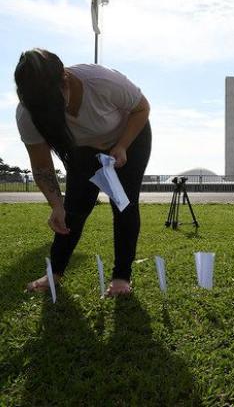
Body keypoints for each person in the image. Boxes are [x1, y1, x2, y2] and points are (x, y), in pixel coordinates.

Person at [14, 49, 151, 297]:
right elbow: (42, 165)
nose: (48, 112)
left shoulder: (102, 81)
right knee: (73, 209)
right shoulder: (27, 113)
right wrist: (56, 205)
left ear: (64, 80)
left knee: (124, 205)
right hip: (83, 150)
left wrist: (121, 146)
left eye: (51, 103)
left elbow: (141, 108)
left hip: (129, 138)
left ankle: (121, 278)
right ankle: (54, 273)